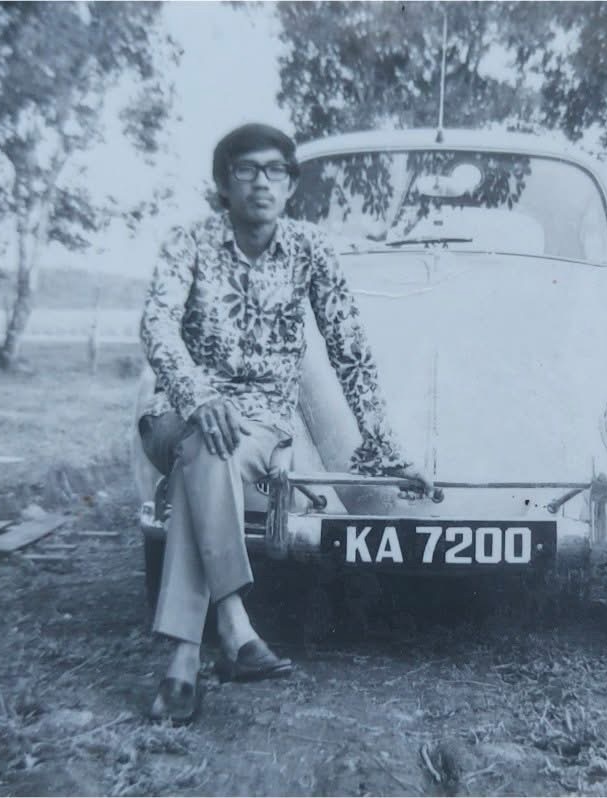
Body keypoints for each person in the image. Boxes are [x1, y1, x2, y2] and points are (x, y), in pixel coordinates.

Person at [138, 123, 431, 724]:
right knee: (203, 441)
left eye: (275, 171)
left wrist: (385, 446)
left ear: (291, 185)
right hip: (177, 411)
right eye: (246, 170)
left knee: (209, 455)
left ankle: (186, 659)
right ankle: (234, 624)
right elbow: (158, 326)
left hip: (260, 422)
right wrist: (198, 396)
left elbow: (350, 349)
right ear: (223, 184)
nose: (261, 183)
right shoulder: (187, 242)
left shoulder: (310, 250)